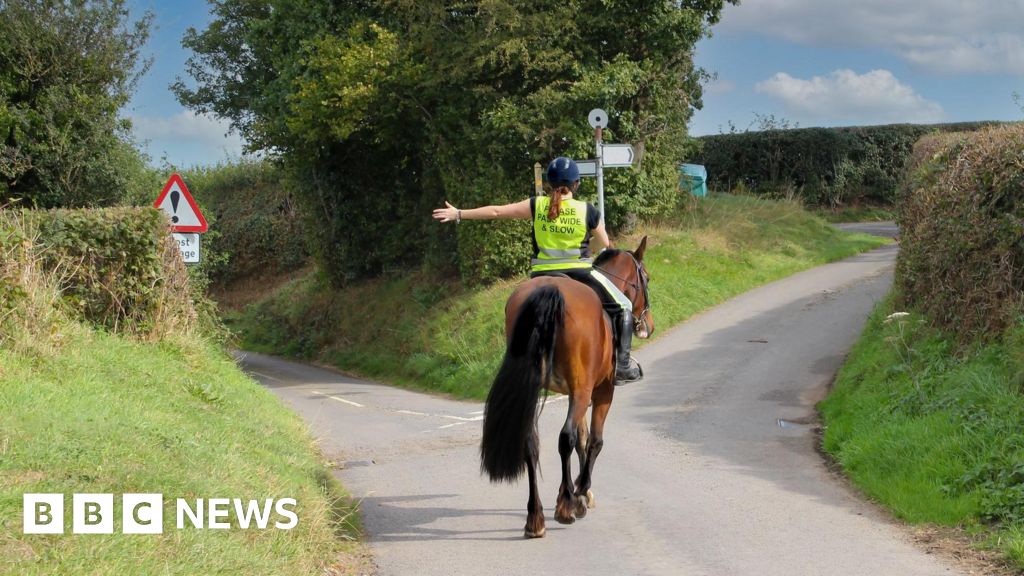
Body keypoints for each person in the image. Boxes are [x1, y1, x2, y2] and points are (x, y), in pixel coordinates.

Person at [431, 157, 643, 385]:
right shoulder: (587, 210)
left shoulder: (537, 204)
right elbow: (604, 244)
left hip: (541, 274)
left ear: (550, 183)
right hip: (580, 272)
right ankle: (621, 366)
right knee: (624, 305)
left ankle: (516, 363)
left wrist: (459, 214)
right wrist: (587, 246)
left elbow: (496, 212)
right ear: (576, 184)